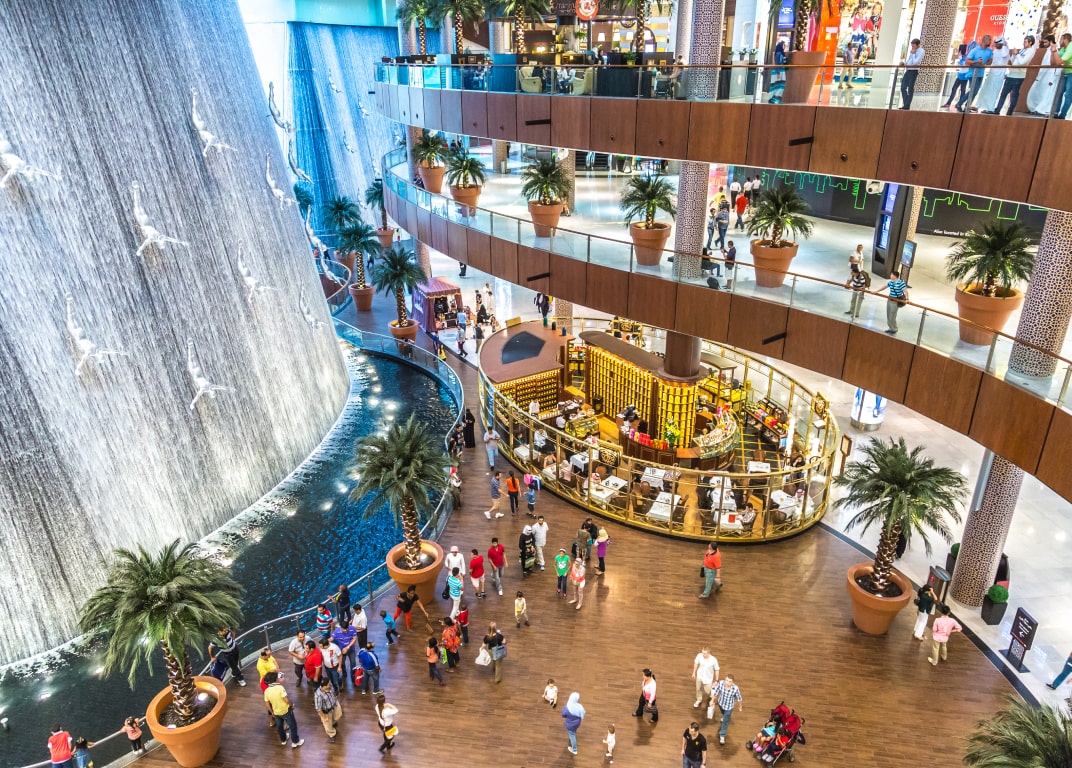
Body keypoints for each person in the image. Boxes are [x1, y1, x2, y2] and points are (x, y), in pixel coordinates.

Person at [990, 36, 1036, 115]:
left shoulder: (1031, 51)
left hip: (1019, 76)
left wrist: (1017, 54)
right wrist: (1014, 55)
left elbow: (1022, 62)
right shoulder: (1022, 49)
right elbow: (1012, 60)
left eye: (1025, 42)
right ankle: (997, 109)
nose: (1023, 43)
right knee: (1003, 93)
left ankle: (1010, 111)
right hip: (1011, 74)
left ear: (1030, 42)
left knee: (1014, 94)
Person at [263, 672, 304, 748]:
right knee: (292, 726)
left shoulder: (266, 691)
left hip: (276, 712)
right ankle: (295, 742)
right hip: (286, 711)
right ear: (275, 679)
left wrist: (272, 712)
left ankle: (283, 740)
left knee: (280, 727)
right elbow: (286, 700)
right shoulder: (280, 688)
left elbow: (267, 704)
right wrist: (292, 705)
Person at [1027, 35, 1061, 115]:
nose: (1044, 44)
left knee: (1046, 93)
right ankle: (1036, 108)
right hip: (1042, 75)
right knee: (1037, 91)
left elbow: (1053, 63)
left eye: (1046, 42)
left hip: (1049, 76)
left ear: (1050, 42)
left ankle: (1042, 109)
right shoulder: (1047, 50)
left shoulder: (1054, 50)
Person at [710, 674, 743, 744]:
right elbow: (716, 692)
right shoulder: (721, 683)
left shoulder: (735, 688)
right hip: (721, 703)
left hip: (729, 707)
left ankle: (722, 735)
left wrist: (740, 706)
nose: (727, 682)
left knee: (725, 721)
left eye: (730, 681)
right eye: (727, 680)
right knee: (723, 713)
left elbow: (739, 698)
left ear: (732, 682)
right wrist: (712, 701)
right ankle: (724, 716)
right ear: (725, 679)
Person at [878, 269, 908, 334]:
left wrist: (907, 299)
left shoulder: (901, 283)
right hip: (889, 299)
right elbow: (885, 287)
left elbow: (905, 291)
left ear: (894, 276)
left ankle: (894, 329)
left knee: (892, 316)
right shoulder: (891, 282)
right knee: (888, 315)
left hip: (895, 301)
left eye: (891, 274)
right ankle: (890, 328)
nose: (890, 275)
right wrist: (877, 291)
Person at [313, 678, 342, 743]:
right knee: (328, 725)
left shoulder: (330, 687)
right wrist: (324, 717)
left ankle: (333, 723)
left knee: (338, 715)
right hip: (326, 712)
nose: (330, 684)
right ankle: (331, 734)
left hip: (334, 705)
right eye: (329, 684)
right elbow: (318, 708)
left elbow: (333, 693)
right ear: (324, 686)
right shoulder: (318, 695)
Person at [331, 619, 358, 688]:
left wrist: (348, 647)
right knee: (342, 663)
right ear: (341, 627)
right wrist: (325, 642)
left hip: (351, 649)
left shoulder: (352, 629)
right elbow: (331, 638)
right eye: (344, 629)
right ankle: (344, 672)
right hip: (341, 650)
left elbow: (354, 639)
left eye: (346, 629)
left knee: (353, 663)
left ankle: (353, 676)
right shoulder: (337, 631)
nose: (345, 630)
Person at [899, 39, 925, 109]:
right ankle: (906, 104)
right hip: (908, 70)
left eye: (914, 46)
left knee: (910, 88)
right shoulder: (913, 50)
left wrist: (913, 54)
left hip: (914, 71)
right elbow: (909, 60)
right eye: (912, 45)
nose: (912, 47)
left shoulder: (921, 51)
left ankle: (907, 105)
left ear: (918, 45)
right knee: (903, 87)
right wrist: (904, 63)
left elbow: (915, 62)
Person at [1053, 33, 1072, 119]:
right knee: (1059, 92)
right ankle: (1055, 112)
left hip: (1071, 73)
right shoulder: (1063, 48)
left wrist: (1054, 51)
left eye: (1061, 39)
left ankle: (1062, 115)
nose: (1059, 41)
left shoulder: (1070, 47)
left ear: (1066, 40)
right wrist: (1053, 52)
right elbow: (1053, 62)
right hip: (1065, 72)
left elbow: (1059, 62)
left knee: (1068, 94)